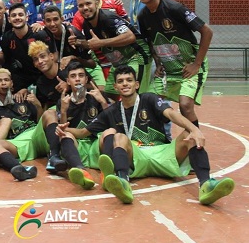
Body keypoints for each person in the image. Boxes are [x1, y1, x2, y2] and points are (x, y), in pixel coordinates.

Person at [57, 65, 235, 205]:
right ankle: (123, 182)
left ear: (136, 84)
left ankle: (206, 185)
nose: (125, 83)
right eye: (120, 81)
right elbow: (83, 132)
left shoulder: (149, 99)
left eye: (129, 80)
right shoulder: (111, 111)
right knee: (119, 137)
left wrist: (195, 129)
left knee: (189, 134)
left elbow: (172, 114)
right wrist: (64, 128)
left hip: (164, 153)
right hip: (137, 157)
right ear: (116, 86)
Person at [135, 0, 213, 126]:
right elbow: (150, 41)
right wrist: (158, 63)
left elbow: (207, 31)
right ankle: (161, 141)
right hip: (167, 70)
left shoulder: (174, 8)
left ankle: (196, 146)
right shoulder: (143, 16)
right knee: (147, 101)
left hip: (188, 67)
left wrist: (196, 64)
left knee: (185, 105)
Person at [71, 0, 152, 98]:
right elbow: (92, 44)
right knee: (109, 94)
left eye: (88, 3)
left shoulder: (108, 18)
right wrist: (78, 42)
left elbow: (130, 36)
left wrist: (101, 42)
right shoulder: (86, 25)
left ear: (96, 3)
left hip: (137, 56)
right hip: (118, 62)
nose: (85, 8)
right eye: (81, 5)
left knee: (134, 94)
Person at [0, 68, 45, 181]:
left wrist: (38, 106)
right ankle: (20, 169)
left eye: (6, 80)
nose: (3, 83)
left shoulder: (23, 98)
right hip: (19, 143)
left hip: (36, 136)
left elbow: (41, 122)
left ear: (11, 83)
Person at [53, 61, 109, 188]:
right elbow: (63, 129)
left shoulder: (98, 97)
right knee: (65, 135)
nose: (77, 79)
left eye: (81, 75)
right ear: (68, 81)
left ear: (86, 79)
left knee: (110, 133)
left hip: (96, 145)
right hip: (77, 148)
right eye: (73, 76)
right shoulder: (63, 102)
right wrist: (63, 110)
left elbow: (111, 123)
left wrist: (103, 102)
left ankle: (108, 174)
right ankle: (81, 171)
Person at [1, 3, 56, 98]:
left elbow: (53, 58)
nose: (17, 18)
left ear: (26, 17)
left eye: (20, 15)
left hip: (42, 75)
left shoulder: (39, 34)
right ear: (9, 19)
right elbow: (7, 62)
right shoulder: (7, 37)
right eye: (14, 15)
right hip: (21, 79)